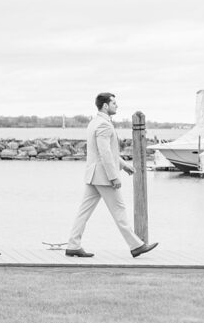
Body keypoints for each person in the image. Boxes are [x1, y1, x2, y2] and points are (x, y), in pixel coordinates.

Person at [66, 93, 158, 258]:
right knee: (119, 211)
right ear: (105, 106)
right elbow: (105, 153)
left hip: (93, 175)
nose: (117, 106)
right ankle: (136, 246)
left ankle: (73, 245)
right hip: (103, 177)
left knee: (84, 212)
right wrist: (114, 176)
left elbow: (108, 151)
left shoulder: (94, 122)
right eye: (114, 103)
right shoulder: (104, 125)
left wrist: (124, 165)